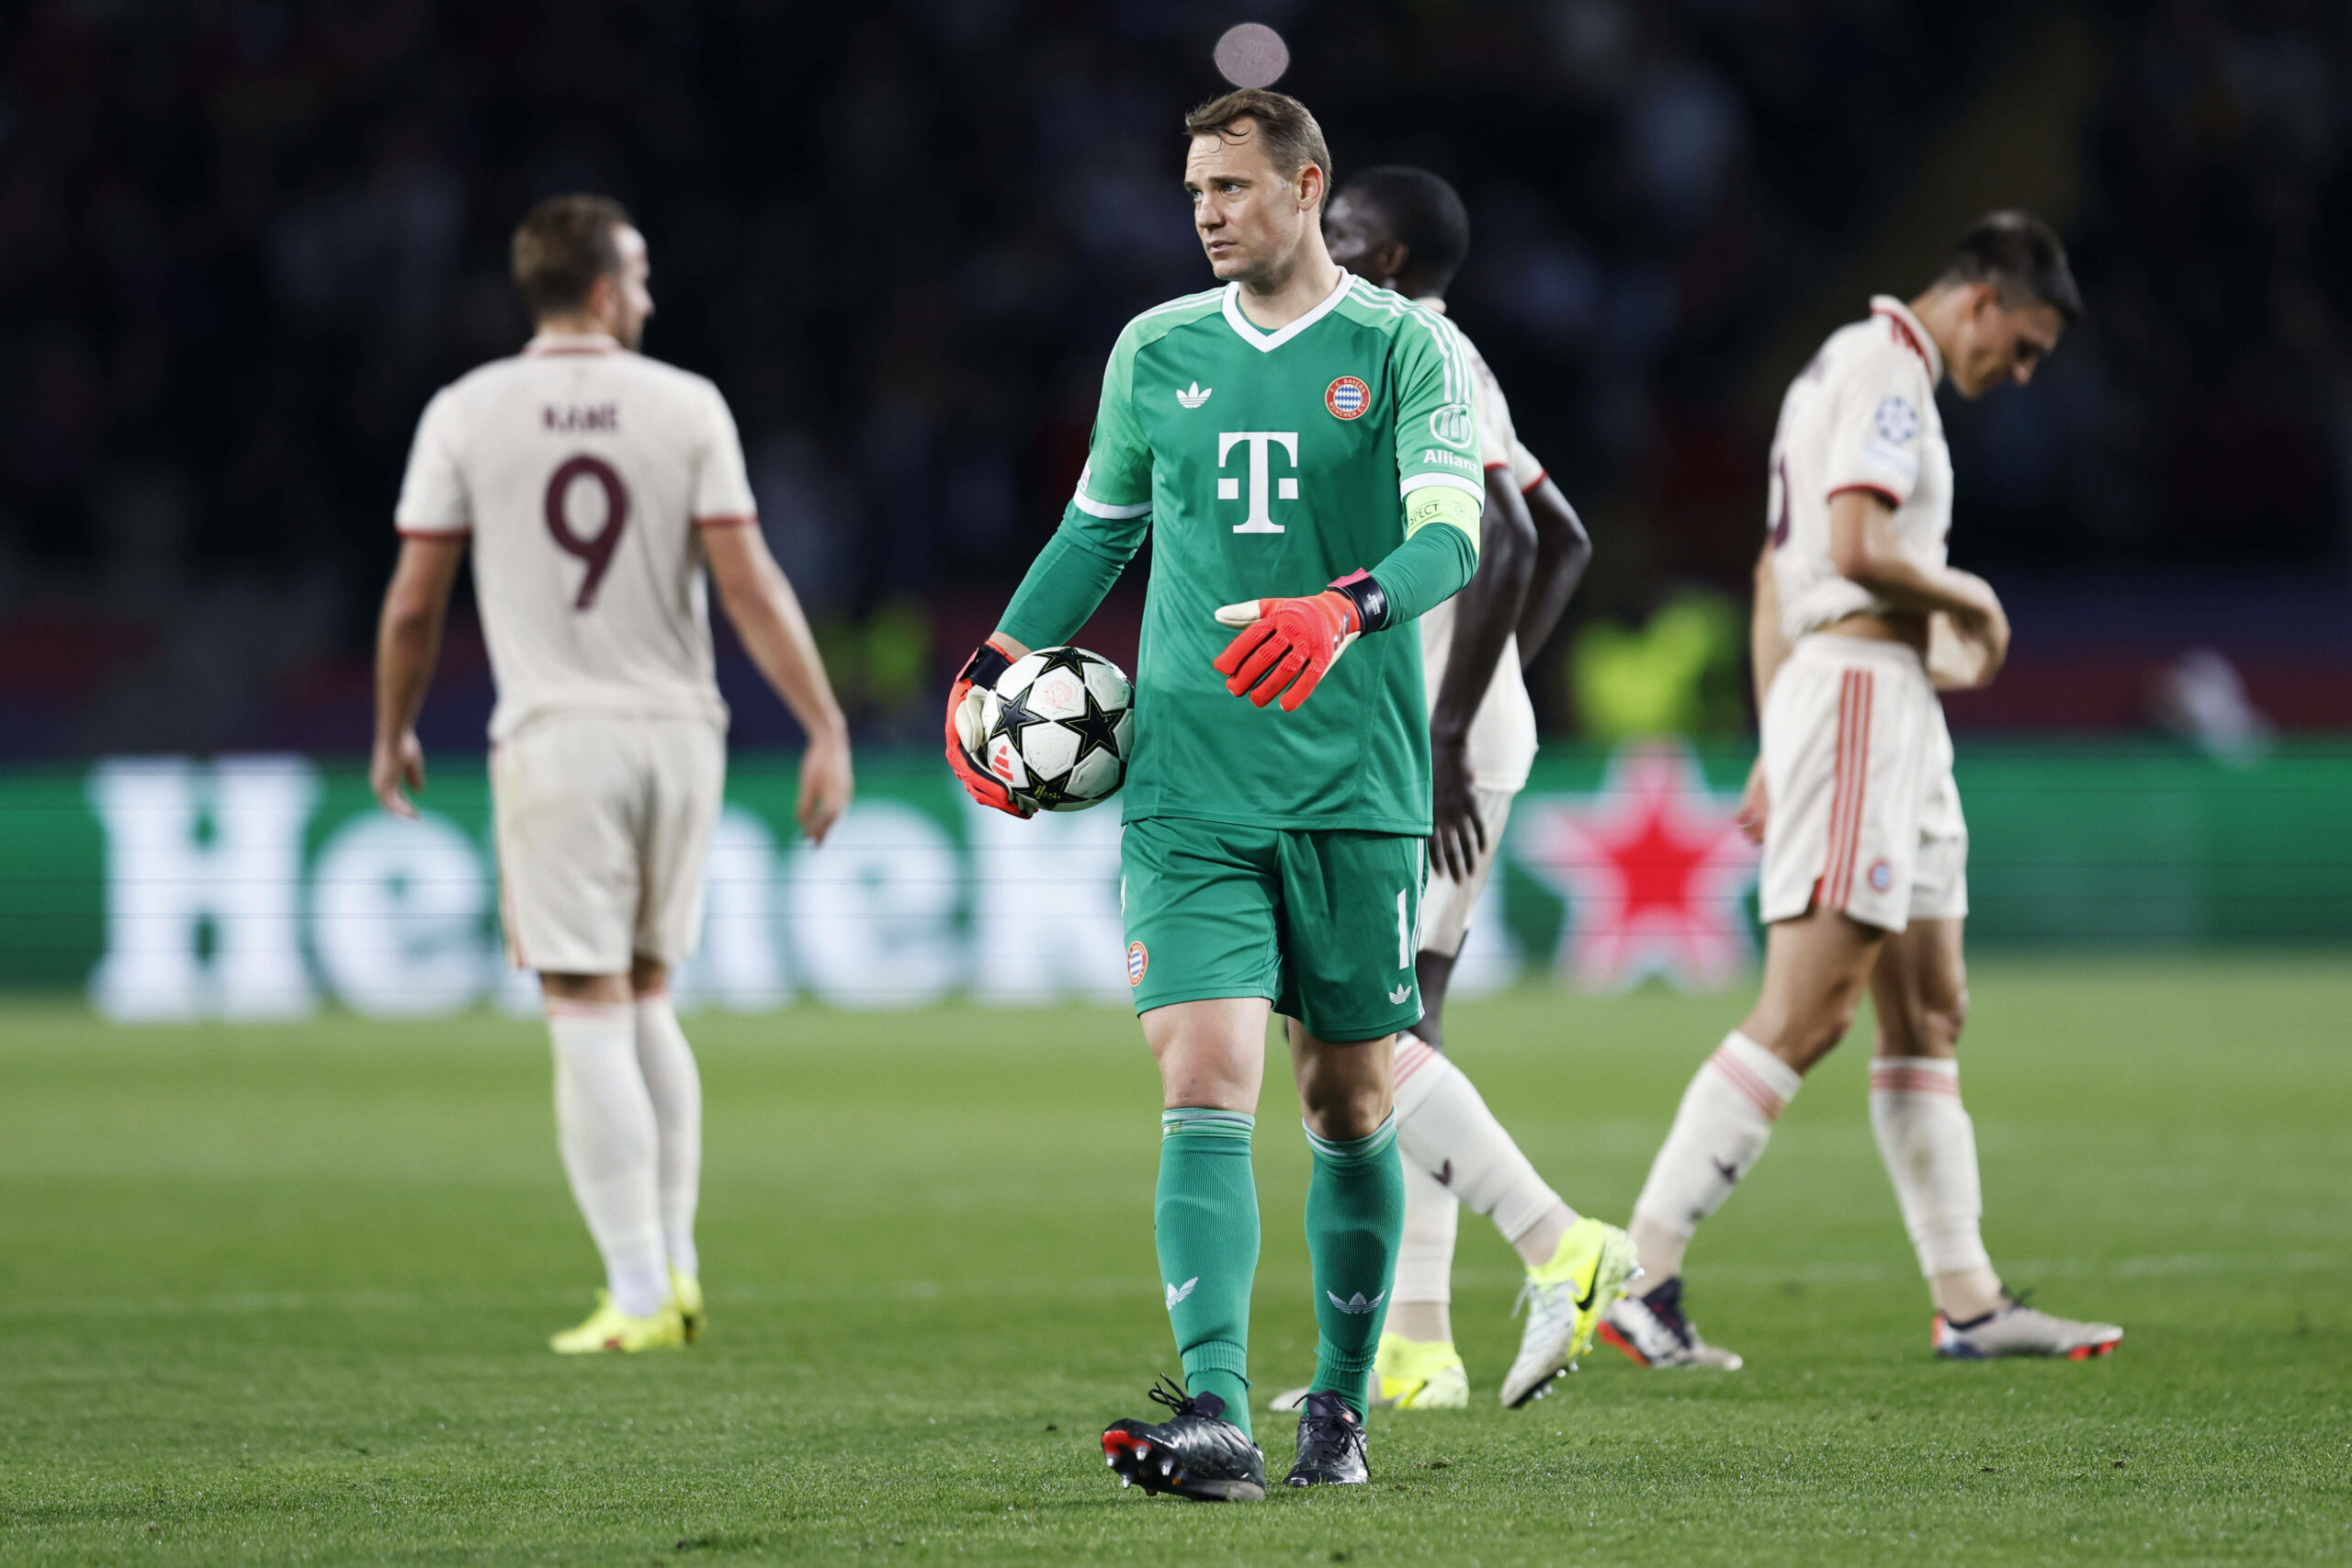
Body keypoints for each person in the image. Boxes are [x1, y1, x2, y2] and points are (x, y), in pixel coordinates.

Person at [944, 89, 1485, 1498]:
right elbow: (1094, 537)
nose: (1206, 210)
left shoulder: (1402, 349)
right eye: (1195, 187)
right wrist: (992, 672)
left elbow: (1453, 536)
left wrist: (1344, 608)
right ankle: (1219, 1409)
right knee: (1200, 1072)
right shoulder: (1153, 350)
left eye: (1234, 186)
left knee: (1351, 1099)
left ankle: (1342, 1415)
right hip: (1188, 785)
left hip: (1355, 785)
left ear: (1309, 190)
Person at [1600, 212, 2123, 1368]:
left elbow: (1767, 570)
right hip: (1862, 697)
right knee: (1810, 1009)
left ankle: (1970, 1303)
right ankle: (1639, 1276)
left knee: (1928, 1010)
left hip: (1871, 708)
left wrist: (1773, 738)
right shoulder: (1890, 373)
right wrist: (1971, 599)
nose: (2022, 372)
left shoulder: (1844, 365)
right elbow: (1850, 544)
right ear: (1980, 299)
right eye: (2024, 345)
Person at [373, 195, 853, 1355]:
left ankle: (637, 1289)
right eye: (637, 277)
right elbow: (747, 584)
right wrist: (823, 724)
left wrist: (394, 728)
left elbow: (414, 600)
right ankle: (674, 1267)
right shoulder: (685, 404)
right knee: (645, 993)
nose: (648, 297)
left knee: (582, 1005)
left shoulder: (465, 411)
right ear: (599, 288)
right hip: (681, 729)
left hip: (557, 736)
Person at [1295, 166, 1635, 1411]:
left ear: (1383, 256)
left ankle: (1564, 1246)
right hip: (1451, 726)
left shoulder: (1410, 346)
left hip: (1421, 746)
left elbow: (1509, 532)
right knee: (1403, 1025)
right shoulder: (1452, 348)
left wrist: (1451, 719)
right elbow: (1567, 535)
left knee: (1352, 1027)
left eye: (1335, 231)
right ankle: (1420, 1346)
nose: (1312, 246)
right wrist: (1488, 696)